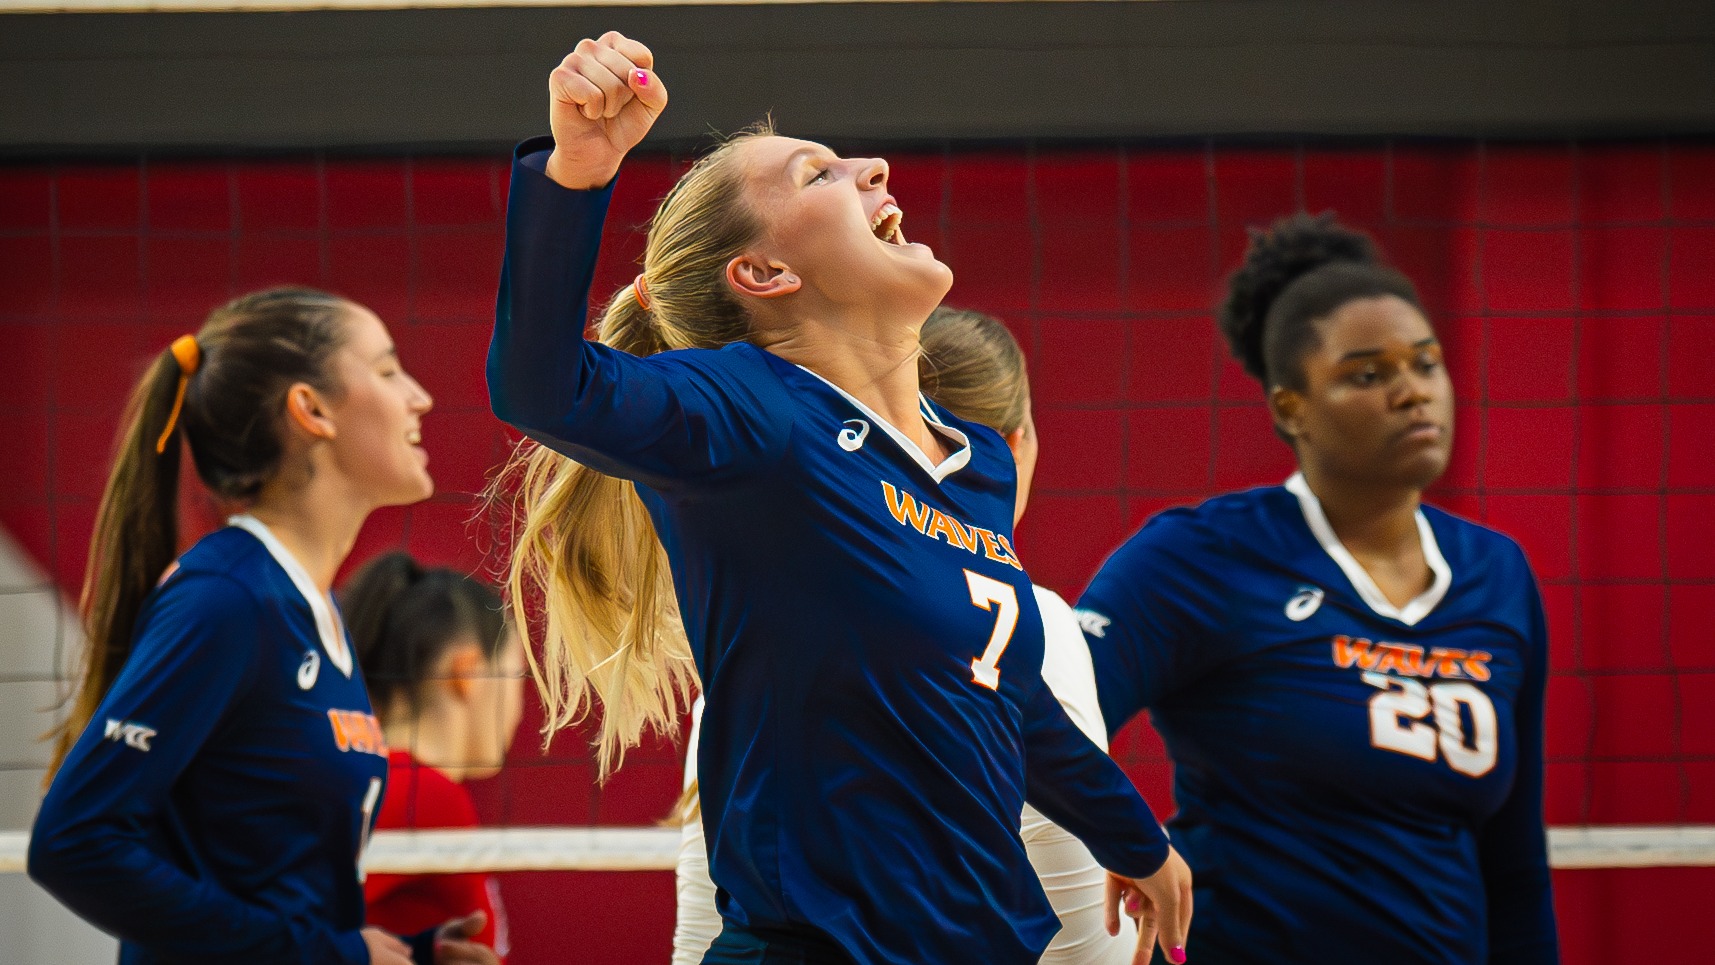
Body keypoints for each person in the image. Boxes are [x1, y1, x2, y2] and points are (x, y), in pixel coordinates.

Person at [488, 32, 1191, 965]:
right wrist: (578, 171)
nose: (873, 167)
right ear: (766, 274)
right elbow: (543, 389)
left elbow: (1006, 690)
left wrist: (1139, 842)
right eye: (819, 174)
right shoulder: (752, 409)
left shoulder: (973, 462)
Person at [1077, 214, 1558, 964]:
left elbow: (1513, 858)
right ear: (1288, 406)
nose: (1410, 392)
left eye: (1425, 364)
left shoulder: (1497, 573)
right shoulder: (1202, 555)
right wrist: (1126, 839)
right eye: (1366, 374)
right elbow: (1049, 721)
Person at [28, 287, 496, 965]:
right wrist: (328, 954)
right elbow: (73, 842)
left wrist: (405, 955)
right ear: (310, 409)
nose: (420, 397)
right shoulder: (228, 598)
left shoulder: (310, 606)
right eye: (389, 370)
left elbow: (270, 887)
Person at [671, 307, 1138, 965]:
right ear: (1012, 445)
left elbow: (700, 938)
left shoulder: (749, 626)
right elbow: (1096, 949)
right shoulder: (1031, 627)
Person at [343, 551, 525, 962]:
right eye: (516, 676)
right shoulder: (423, 793)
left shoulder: (388, 780)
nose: (520, 707)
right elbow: (281, 918)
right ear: (468, 672)